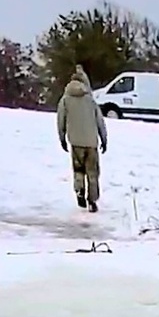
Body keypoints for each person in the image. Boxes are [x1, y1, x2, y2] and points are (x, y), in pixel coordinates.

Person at [57, 66, 108, 212]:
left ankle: (79, 190)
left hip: (75, 142)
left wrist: (62, 138)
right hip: (91, 142)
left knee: (78, 170)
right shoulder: (90, 100)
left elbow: (61, 120)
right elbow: (100, 121)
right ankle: (92, 201)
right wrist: (104, 139)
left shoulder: (65, 100)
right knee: (92, 173)